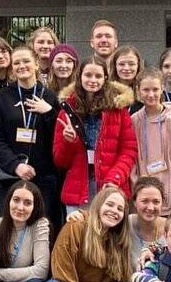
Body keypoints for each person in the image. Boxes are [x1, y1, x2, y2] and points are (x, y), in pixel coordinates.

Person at [54, 55, 137, 213]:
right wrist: (67, 141)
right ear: (79, 77)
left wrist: (115, 178)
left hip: (110, 185)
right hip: (78, 188)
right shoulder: (67, 110)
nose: (93, 80)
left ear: (106, 78)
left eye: (98, 76)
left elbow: (129, 150)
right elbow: (60, 161)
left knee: (109, 237)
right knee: (78, 236)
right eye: (88, 75)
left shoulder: (118, 109)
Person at [0, 45, 62, 223]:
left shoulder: (50, 97)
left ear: (37, 64)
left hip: (44, 178)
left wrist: (49, 113)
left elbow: (59, 138)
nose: (22, 66)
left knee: (42, 228)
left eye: (26, 61)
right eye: (17, 63)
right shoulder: (3, 97)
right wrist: (16, 165)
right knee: (10, 230)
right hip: (11, 177)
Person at [130, 70, 171, 215]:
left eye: (155, 89)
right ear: (138, 91)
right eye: (146, 90)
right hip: (147, 194)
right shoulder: (134, 120)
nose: (151, 95)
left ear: (162, 88)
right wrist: (136, 188)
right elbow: (132, 160)